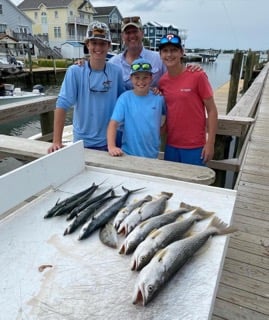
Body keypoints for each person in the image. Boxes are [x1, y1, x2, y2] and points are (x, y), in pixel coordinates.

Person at [48, 21, 124, 153]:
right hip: (82, 142)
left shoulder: (116, 72)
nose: (98, 48)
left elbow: (124, 101)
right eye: (94, 43)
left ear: (109, 46)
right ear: (87, 44)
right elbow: (62, 104)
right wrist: (56, 141)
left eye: (102, 43)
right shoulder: (74, 71)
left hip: (111, 142)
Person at [158, 34, 218, 166]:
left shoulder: (198, 76)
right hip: (171, 145)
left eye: (174, 50)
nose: (169, 55)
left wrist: (210, 143)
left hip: (195, 147)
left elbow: (212, 110)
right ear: (160, 54)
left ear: (182, 52)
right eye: (165, 51)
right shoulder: (162, 82)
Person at [107, 58, 166, 159]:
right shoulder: (125, 98)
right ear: (131, 78)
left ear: (151, 78)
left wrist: (159, 132)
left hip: (153, 154)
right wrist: (112, 146)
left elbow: (167, 118)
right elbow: (113, 124)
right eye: (137, 77)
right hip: (128, 154)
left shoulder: (159, 98)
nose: (141, 81)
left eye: (145, 78)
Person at [109, 16, 166, 90]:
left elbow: (170, 84)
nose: (132, 36)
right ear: (122, 36)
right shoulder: (113, 63)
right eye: (128, 32)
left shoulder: (159, 59)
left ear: (142, 33)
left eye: (135, 31)